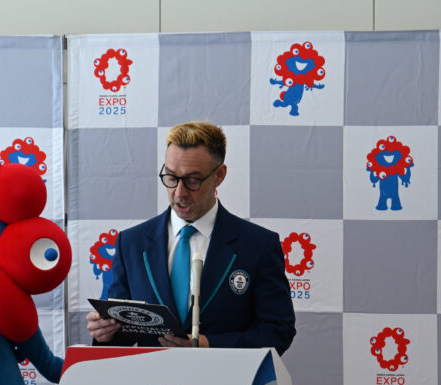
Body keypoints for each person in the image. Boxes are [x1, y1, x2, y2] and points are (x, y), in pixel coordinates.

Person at [86, 121, 296, 354]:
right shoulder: (131, 244)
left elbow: (279, 331)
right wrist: (105, 332)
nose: (179, 193)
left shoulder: (258, 245)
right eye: (171, 177)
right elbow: (120, 335)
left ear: (219, 175)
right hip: (152, 377)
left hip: (226, 377)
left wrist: (210, 345)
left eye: (193, 180)